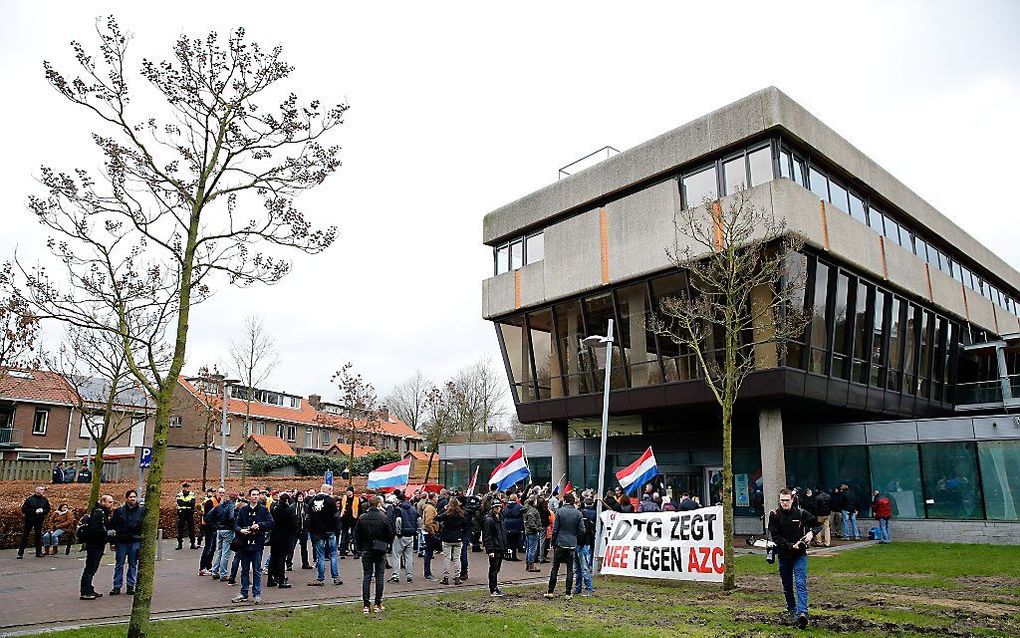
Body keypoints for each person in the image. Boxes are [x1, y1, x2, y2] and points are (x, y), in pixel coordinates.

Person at [768, 487, 822, 629]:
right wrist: (791, 546)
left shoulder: (801, 513)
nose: (784, 503)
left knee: (800, 582)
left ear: (792, 499)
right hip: (784, 555)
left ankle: (802, 613)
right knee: (787, 585)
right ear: (779, 500)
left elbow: (817, 525)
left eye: (787, 500)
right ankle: (792, 608)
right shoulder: (774, 515)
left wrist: (811, 533)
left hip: (800, 555)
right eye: (782, 500)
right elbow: (775, 537)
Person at [231, 487, 274, 604]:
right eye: (253, 494)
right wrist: (240, 530)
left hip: (257, 544)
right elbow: (235, 524)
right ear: (249, 496)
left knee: (256, 570)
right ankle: (244, 593)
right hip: (244, 544)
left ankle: (257, 594)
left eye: (257, 494)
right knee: (244, 570)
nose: (255, 497)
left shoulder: (264, 510)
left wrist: (259, 525)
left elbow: (271, 523)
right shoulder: (243, 510)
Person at [355, 495, 394, 614]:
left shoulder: (362, 518)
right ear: (378, 504)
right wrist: (386, 544)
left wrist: (360, 547)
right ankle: (378, 603)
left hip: (366, 549)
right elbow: (390, 534)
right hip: (380, 549)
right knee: (379, 577)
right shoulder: (384, 518)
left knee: (367, 576)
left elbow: (357, 535)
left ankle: (366, 604)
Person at [544, 493, 585, 600]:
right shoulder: (578, 513)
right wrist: (574, 537)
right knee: (570, 569)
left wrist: (553, 542)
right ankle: (568, 593)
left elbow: (555, 530)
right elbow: (582, 530)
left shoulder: (560, 512)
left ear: (564, 500)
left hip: (560, 543)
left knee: (555, 568)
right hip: (571, 544)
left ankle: (550, 591)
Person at [80, 494, 115, 600]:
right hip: (94, 545)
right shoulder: (98, 513)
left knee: (92, 568)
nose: (111, 504)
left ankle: (89, 589)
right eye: (110, 502)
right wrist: (107, 534)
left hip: (97, 544)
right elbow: (95, 530)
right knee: (90, 568)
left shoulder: (101, 512)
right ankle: (85, 591)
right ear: (103, 502)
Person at [109, 489, 144, 595]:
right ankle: (117, 586)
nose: (133, 499)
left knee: (133, 564)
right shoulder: (119, 511)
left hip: (135, 540)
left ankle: (130, 585)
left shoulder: (142, 511)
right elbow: (112, 526)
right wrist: (112, 542)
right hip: (122, 541)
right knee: (119, 564)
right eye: (130, 497)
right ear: (127, 498)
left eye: (134, 497)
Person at [308, 484, 342, 586]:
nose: (331, 491)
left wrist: (312, 530)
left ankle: (320, 578)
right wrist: (337, 530)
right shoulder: (330, 501)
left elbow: (309, 517)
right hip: (330, 530)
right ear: (326, 490)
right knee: (333, 554)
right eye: (330, 490)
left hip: (318, 532)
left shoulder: (312, 501)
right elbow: (336, 517)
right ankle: (336, 577)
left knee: (320, 555)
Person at [388, 490, 420, 584]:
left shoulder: (398, 509)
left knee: (396, 556)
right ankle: (409, 575)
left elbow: (398, 521)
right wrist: (417, 531)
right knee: (409, 557)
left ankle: (395, 576)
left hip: (401, 535)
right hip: (410, 535)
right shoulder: (413, 509)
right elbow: (418, 520)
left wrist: (398, 533)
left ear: (398, 500)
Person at [435, 496, 467, 585]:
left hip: (447, 537)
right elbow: (465, 525)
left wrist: (443, 510)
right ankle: (457, 577)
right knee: (457, 558)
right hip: (458, 537)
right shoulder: (461, 514)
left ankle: (446, 577)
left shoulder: (447, 514)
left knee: (447, 558)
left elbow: (436, 517)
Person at [268, 492, 297, 588]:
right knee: (282, 559)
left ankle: (270, 579)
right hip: (284, 537)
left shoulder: (275, 508)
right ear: (287, 500)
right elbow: (293, 525)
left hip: (274, 536)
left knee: (273, 558)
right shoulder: (288, 510)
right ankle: (281, 580)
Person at [210, 491, 237, 581]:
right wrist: (234, 527)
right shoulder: (232, 505)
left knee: (220, 552)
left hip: (219, 530)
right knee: (226, 554)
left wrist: (215, 525)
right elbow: (231, 517)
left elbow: (209, 516)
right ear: (235, 499)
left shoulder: (220, 505)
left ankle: (214, 571)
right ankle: (223, 574)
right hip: (228, 530)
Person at [482, 499, 507, 597]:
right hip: (495, 548)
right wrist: (490, 550)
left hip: (499, 547)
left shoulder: (500, 518)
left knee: (496, 569)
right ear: (492, 508)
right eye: (496, 507)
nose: (498, 509)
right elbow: (487, 536)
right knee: (493, 569)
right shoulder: (489, 520)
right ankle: (493, 588)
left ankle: (495, 587)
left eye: (499, 507)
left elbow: (501, 534)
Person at [18, 485, 51, 559]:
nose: (43, 491)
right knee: (25, 536)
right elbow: (24, 510)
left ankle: (38, 552)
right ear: (37, 491)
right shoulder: (29, 500)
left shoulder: (44, 500)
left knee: (38, 536)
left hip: (39, 520)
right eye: (41, 489)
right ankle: (20, 553)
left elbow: (48, 508)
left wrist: (43, 511)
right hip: (29, 520)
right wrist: (34, 511)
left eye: (43, 489)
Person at [572, 497, 596, 597]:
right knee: (579, 568)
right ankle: (578, 588)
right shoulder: (581, 514)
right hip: (582, 543)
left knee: (583, 568)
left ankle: (588, 589)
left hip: (581, 544)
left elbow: (583, 530)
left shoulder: (580, 515)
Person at [198, 488, 221, 574]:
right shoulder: (210, 501)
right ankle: (202, 568)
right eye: (220, 493)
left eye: (223, 493)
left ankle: (208, 566)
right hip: (208, 527)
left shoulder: (218, 501)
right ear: (216, 493)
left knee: (212, 548)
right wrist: (213, 526)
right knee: (208, 547)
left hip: (214, 527)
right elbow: (206, 516)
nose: (221, 494)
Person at [421, 492, 439, 580]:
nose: (437, 499)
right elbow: (428, 522)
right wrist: (433, 531)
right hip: (429, 533)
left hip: (428, 532)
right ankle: (427, 573)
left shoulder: (430, 507)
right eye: (436, 497)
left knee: (429, 553)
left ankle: (427, 572)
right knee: (428, 553)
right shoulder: (430, 508)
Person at [292, 490, 312, 569]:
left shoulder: (306, 506)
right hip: (295, 529)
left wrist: (307, 526)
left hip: (304, 529)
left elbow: (308, 516)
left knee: (304, 547)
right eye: (299, 496)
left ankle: (305, 563)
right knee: (291, 547)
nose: (300, 498)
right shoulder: (293, 506)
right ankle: (289, 563)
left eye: (302, 496)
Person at [522, 497, 543, 572]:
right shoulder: (532, 511)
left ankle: (528, 563)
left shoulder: (526, 509)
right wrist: (538, 529)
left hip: (528, 531)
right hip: (532, 532)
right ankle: (531, 565)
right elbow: (532, 524)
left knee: (528, 548)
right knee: (532, 549)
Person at [339, 487, 359, 558]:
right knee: (344, 536)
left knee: (355, 536)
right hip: (345, 520)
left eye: (350, 491)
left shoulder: (357, 499)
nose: (349, 493)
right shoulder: (343, 499)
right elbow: (341, 509)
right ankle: (343, 552)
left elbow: (360, 510)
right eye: (348, 491)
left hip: (354, 519)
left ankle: (356, 552)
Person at [175, 482, 197, 550]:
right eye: (186, 487)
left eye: (188, 487)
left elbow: (192, 504)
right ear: (183, 488)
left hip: (189, 512)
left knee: (191, 528)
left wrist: (185, 504)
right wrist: (188, 503)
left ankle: (192, 543)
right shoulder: (179, 495)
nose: (187, 489)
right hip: (182, 513)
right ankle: (179, 544)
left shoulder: (192, 494)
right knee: (180, 529)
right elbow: (179, 503)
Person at [502, 494, 523, 561]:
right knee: (515, 541)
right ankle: (513, 556)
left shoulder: (506, 506)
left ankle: (508, 555)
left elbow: (503, 513)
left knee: (509, 542)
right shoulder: (518, 506)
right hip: (516, 525)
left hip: (507, 525)